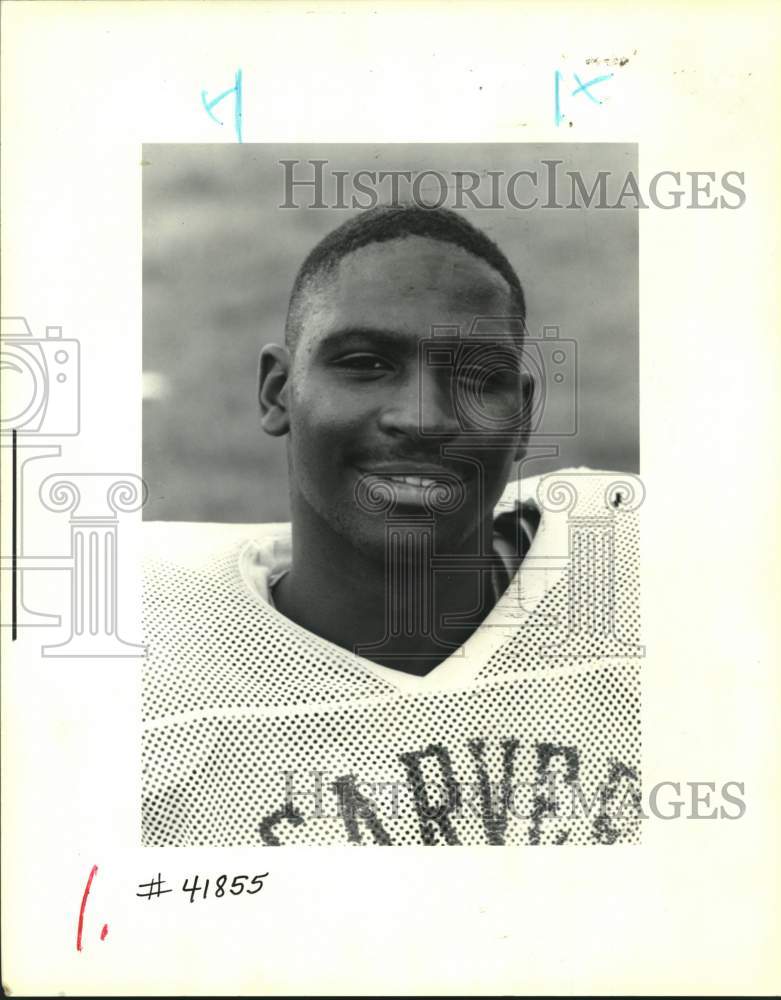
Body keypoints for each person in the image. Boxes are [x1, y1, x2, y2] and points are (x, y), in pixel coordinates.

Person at [142, 204, 642, 847]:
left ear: (521, 416)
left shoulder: (644, 577)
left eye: (472, 377)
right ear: (277, 392)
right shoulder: (143, 660)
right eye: (365, 363)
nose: (424, 418)